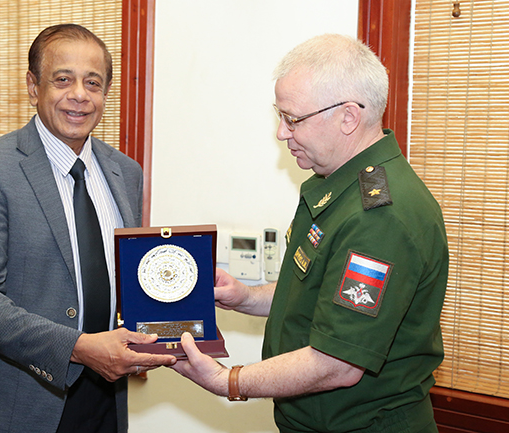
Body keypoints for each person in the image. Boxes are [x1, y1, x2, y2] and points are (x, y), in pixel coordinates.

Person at [172, 34, 448, 433]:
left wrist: (227, 381)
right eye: (279, 116)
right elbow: (317, 293)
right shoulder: (337, 186)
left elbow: (337, 364)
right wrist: (248, 298)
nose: (282, 133)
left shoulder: (380, 216)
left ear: (348, 117)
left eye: (293, 119)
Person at [0, 24, 176, 433]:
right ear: (34, 86)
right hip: (19, 402)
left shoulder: (126, 172)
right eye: (63, 79)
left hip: (106, 400)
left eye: (93, 82)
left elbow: (127, 282)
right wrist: (79, 348)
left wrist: (165, 323)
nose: (79, 95)